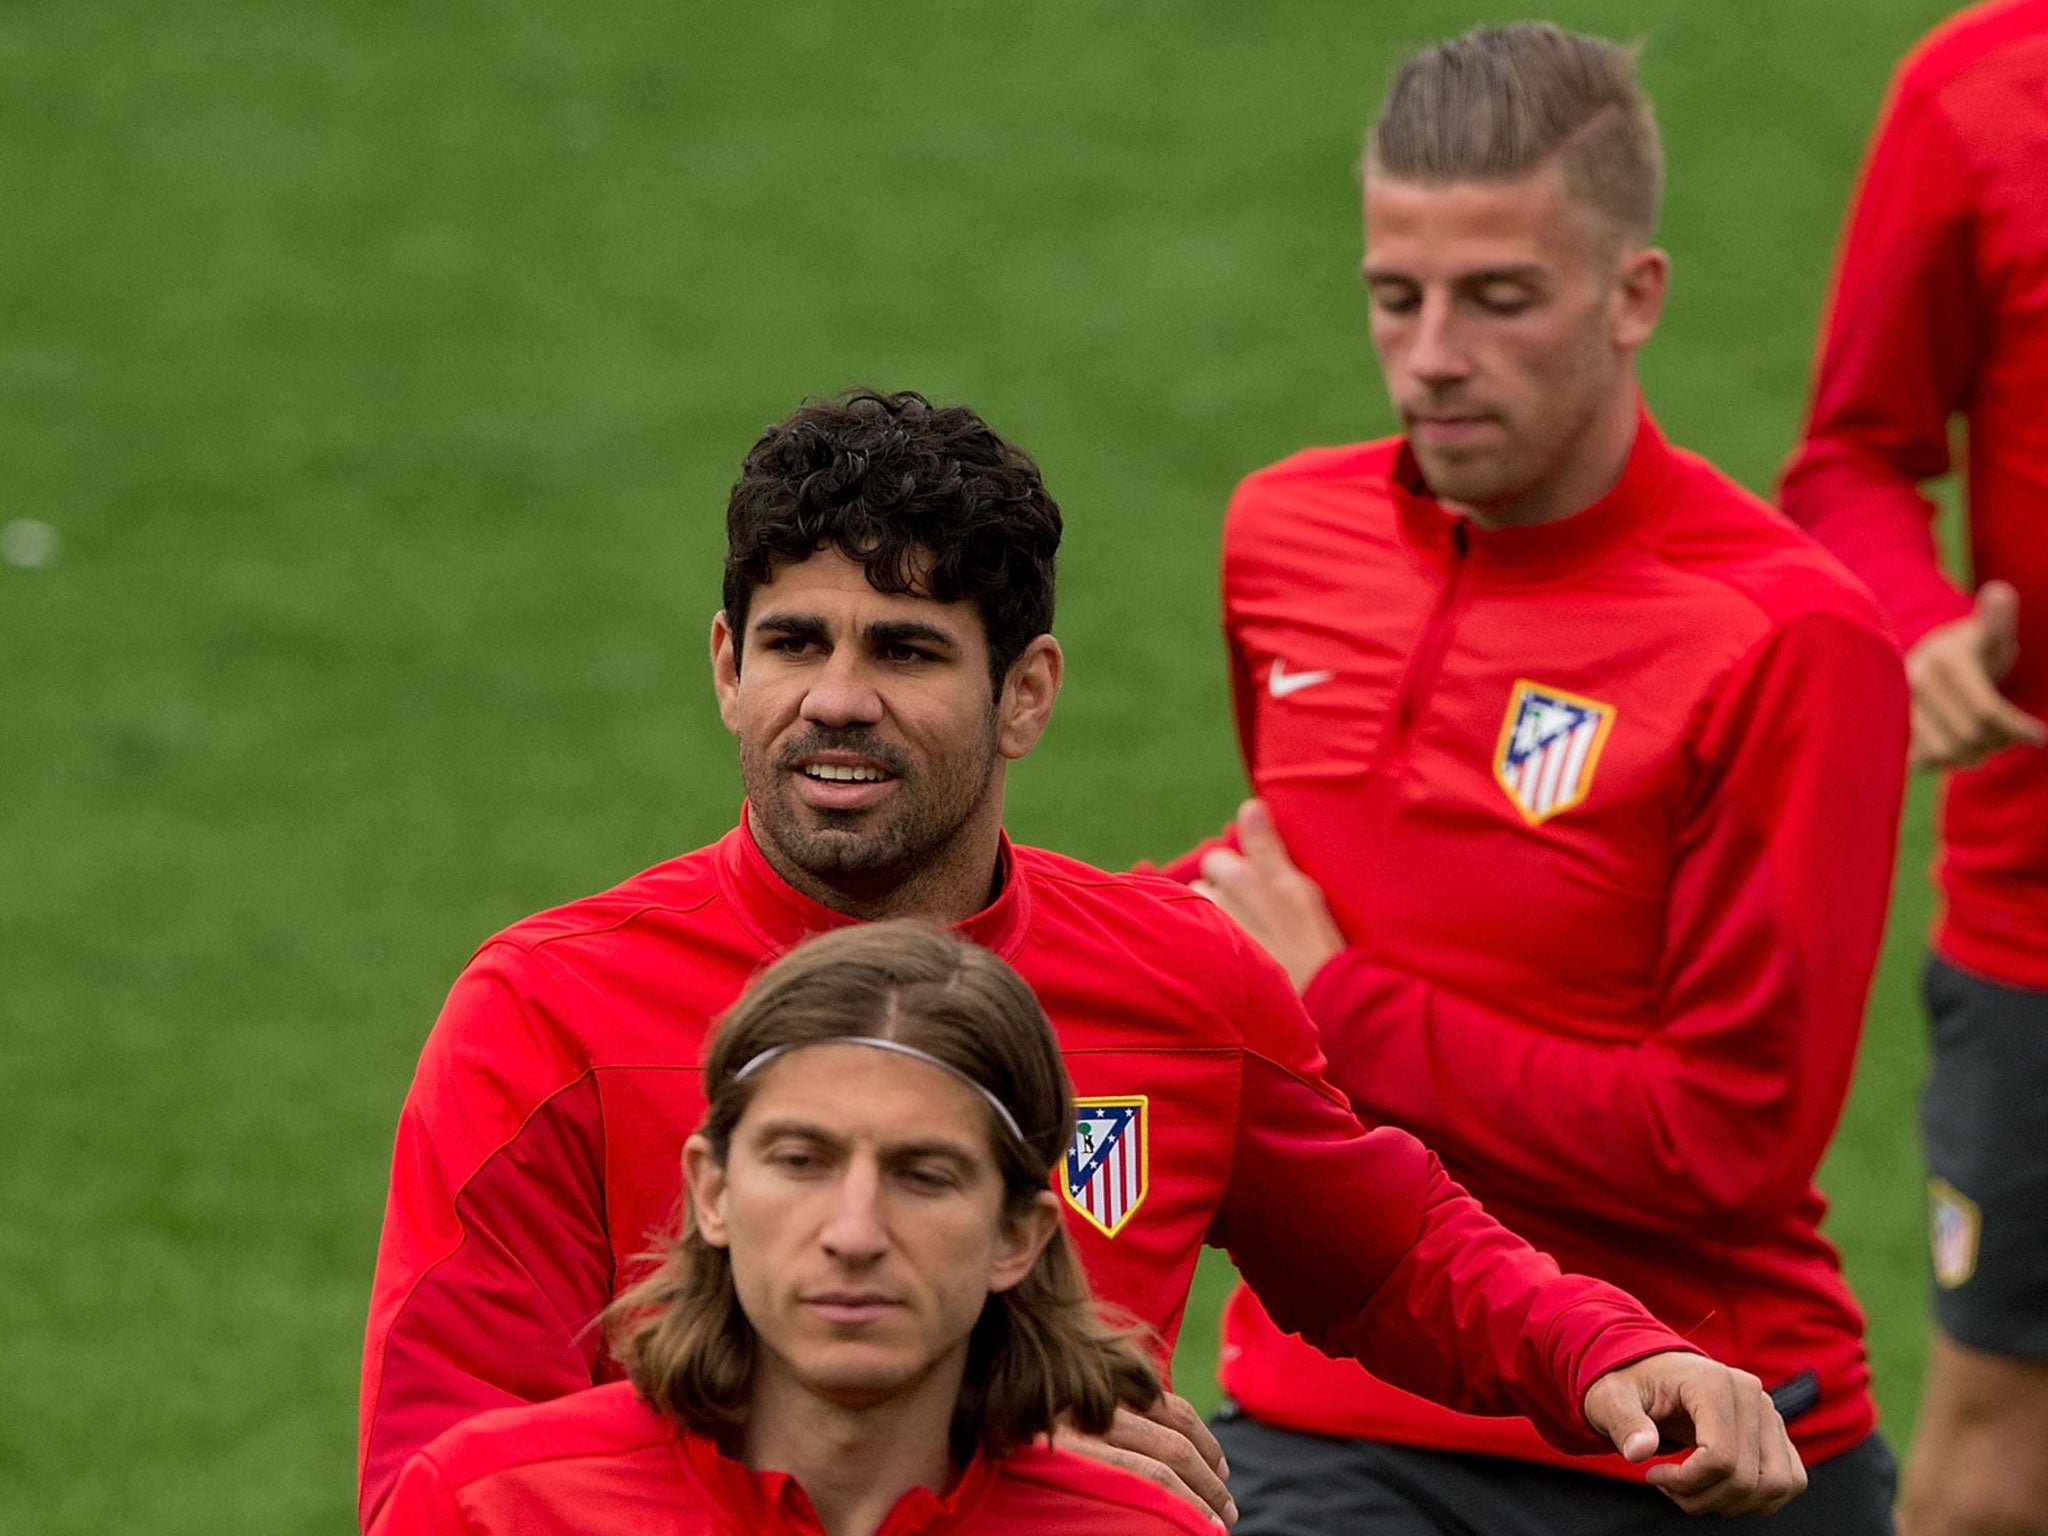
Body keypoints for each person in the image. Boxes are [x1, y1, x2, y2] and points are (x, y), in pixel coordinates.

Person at [360, 386, 1805, 1532]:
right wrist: (988, 1451)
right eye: (795, 643)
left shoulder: (1180, 981)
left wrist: (1612, 1354)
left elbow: (1393, 1255)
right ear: (728, 666)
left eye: (909, 652)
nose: (837, 701)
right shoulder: (547, 1012)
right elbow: (448, 1477)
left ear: (1025, 694)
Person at [1164, 22, 1908, 1535]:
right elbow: (1287, 870)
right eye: (1398, 295)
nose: (1434, 354)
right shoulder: (1279, 540)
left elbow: (1727, 1146)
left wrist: (1339, 1009)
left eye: (1500, 299)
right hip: (1339, 1413)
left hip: (1707, 1442)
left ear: (1634, 294)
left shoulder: (1787, 636)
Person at [379, 922, 1217, 1536]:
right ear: (712, 1192)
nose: (854, 1233)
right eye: (801, 1162)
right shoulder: (492, 1509)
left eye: (923, 1175)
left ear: (1017, 1238)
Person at [1778, 6, 2048, 1532]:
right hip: (2041, 921)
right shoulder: (1979, 95)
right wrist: (1918, 620)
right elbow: (1855, 457)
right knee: (2001, 1457)